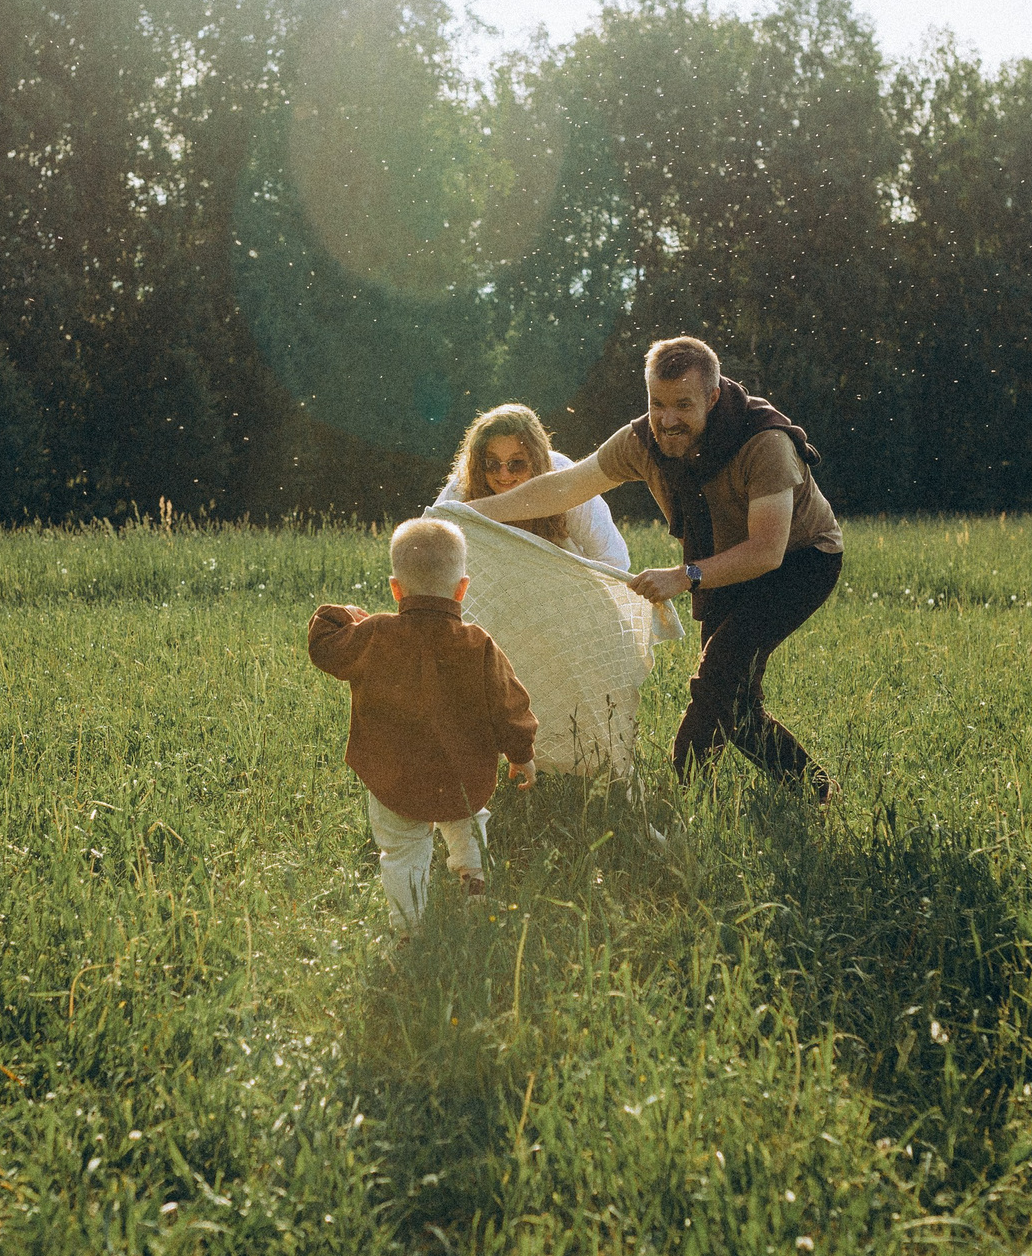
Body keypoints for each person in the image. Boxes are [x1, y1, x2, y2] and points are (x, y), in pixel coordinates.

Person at [462, 335, 843, 802]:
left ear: (713, 396)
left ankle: (681, 796)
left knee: (716, 681)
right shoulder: (642, 440)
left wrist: (683, 577)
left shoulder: (764, 442)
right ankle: (819, 792)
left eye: (683, 404)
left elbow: (766, 551)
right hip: (720, 562)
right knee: (734, 703)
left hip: (800, 562)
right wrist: (475, 515)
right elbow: (563, 488)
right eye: (657, 403)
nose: (667, 419)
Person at [308, 517, 539, 929]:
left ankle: (408, 929)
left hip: (394, 776)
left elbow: (324, 645)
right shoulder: (478, 644)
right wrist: (521, 753)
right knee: (468, 819)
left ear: (396, 588)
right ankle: (475, 879)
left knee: (402, 851)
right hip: (462, 773)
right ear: (462, 587)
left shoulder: (374, 633)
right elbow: (510, 704)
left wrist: (347, 616)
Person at [434, 404, 630, 571]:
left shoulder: (564, 479)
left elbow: (614, 560)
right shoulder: (463, 487)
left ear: (536, 461)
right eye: (492, 464)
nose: (504, 475)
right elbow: (427, 541)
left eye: (516, 463)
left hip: (570, 591)